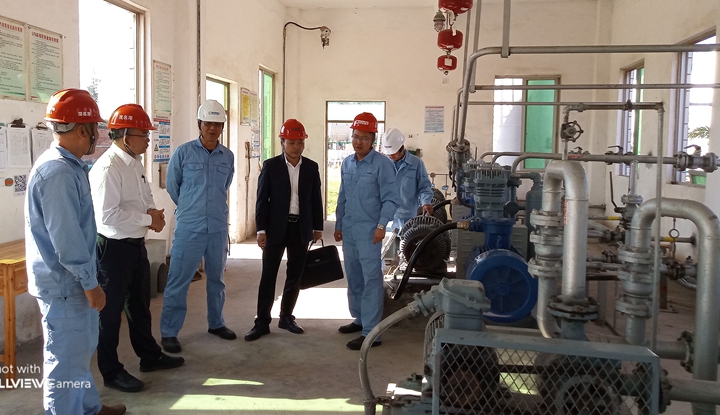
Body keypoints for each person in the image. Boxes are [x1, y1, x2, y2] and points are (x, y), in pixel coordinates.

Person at [25, 88, 126, 415]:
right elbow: (66, 239)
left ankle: (88, 408)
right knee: (66, 361)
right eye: (95, 127)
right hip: (66, 285)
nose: (97, 134)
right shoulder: (58, 173)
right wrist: (90, 283)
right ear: (83, 130)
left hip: (71, 282)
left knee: (79, 352)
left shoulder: (70, 167)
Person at [89, 104, 185, 393]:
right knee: (109, 314)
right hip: (113, 250)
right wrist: (147, 219)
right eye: (143, 135)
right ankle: (111, 371)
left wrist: (153, 212)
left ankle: (149, 356)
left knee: (140, 305)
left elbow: (145, 195)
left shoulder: (134, 162)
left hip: (134, 246)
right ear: (125, 136)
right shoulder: (108, 168)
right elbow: (107, 216)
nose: (148, 140)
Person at [160, 99, 236, 353]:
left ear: (222, 126)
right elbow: (173, 187)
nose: (212, 128)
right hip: (189, 227)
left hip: (217, 227)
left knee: (217, 279)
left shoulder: (228, 156)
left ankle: (216, 323)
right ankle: (169, 332)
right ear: (199, 124)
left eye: (217, 124)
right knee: (178, 280)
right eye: (208, 123)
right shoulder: (183, 153)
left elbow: (225, 186)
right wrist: (190, 207)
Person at [245, 119, 324, 341]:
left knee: (295, 275)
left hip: (301, 228)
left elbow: (316, 199)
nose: (296, 147)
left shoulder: (311, 167)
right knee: (268, 275)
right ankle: (261, 322)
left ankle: (286, 317)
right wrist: (261, 230)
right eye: (291, 142)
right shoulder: (271, 166)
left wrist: (318, 227)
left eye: (300, 142)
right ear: (282, 142)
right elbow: (262, 200)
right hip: (275, 229)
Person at [334, 112, 398, 350]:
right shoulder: (347, 163)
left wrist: (381, 226)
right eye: (355, 136)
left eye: (364, 138)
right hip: (350, 229)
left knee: (371, 279)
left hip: (370, 232)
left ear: (373, 139)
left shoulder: (383, 165)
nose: (358, 142)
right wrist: (338, 224)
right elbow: (342, 196)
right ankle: (360, 319)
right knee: (354, 276)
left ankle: (372, 332)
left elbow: (391, 199)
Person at [381, 128, 434, 230]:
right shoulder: (383, 163)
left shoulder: (416, 163)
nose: (390, 156)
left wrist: (426, 202)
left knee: (407, 239)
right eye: (388, 153)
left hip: (408, 217)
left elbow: (424, 186)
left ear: (402, 148)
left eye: (393, 153)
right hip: (386, 216)